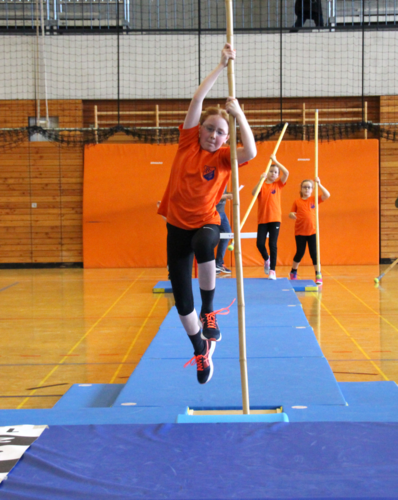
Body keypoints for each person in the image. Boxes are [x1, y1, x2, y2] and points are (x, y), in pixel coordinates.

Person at [157, 44, 256, 385]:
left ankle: (210, 310)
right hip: (176, 228)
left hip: (206, 223)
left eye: (220, 132)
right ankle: (200, 348)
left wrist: (238, 115)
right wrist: (220, 65)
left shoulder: (225, 158)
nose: (214, 135)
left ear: (226, 138)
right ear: (199, 130)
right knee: (182, 302)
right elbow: (197, 102)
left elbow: (252, 151)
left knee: (205, 245)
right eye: (210, 129)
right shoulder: (188, 144)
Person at [252, 154, 289, 280]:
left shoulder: (278, 185)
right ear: (267, 173)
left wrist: (276, 161)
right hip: (263, 219)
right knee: (259, 244)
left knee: (273, 244)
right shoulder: (262, 184)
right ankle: (266, 259)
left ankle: (272, 270)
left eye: (275, 172)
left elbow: (287, 172)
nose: (273, 174)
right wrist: (260, 179)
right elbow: (253, 193)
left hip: (275, 219)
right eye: (271, 171)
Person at [288, 177, 330, 285]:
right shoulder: (297, 201)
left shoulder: (314, 199)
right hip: (300, 232)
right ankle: (293, 271)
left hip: (312, 232)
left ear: (312, 189)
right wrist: (292, 215)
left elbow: (327, 195)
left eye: (309, 187)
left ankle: (318, 274)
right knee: (300, 253)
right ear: (301, 189)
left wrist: (319, 184)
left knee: (314, 254)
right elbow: (291, 213)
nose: (307, 189)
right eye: (305, 187)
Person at [215, 187, 233, 275]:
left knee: (227, 235)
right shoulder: (215, 176)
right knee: (212, 238)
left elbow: (223, 192)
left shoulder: (225, 179)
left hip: (222, 212)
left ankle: (218, 263)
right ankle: (211, 264)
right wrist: (226, 196)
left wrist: (230, 194)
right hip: (213, 212)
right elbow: (211, 195)